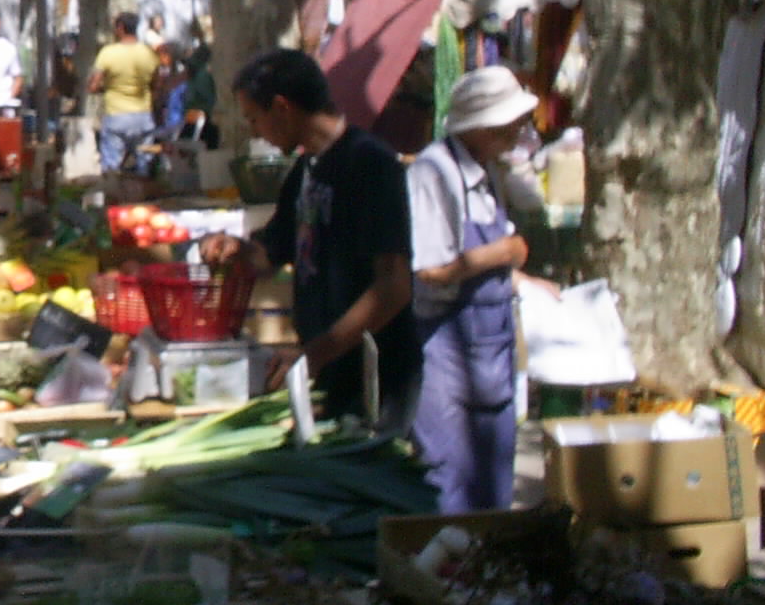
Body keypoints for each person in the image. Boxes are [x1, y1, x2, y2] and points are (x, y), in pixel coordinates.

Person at [201, 50, 417, 429]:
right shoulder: (304, 170)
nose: (254, 131)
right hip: (329, 373)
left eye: (255, 118)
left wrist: (316, 353)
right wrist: (235, 248)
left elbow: (394, 286)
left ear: (282, 107)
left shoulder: (371, 164)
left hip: (375, 375)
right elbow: (271, 253)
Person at [409, 67, 552, 513]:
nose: (518, 132)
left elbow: (486, 268)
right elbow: (432, 270)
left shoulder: (489, 172)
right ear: (484, 128)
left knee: (492, 486)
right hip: (445, 351)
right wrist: (505, 252)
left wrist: (524, 281)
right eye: (510, 125)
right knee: (448, 484)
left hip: (492, 351)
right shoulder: (435, 172)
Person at [88, 12, 160, 175]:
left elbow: (93, 86)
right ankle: (142, 197)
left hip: (116, 115)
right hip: (143, 116)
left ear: (120, 28)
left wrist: (106, 87)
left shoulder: (108, 53)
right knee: (144, 165)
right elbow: (157, 85)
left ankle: (113, 198)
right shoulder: (148, 53)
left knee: (112, 167)